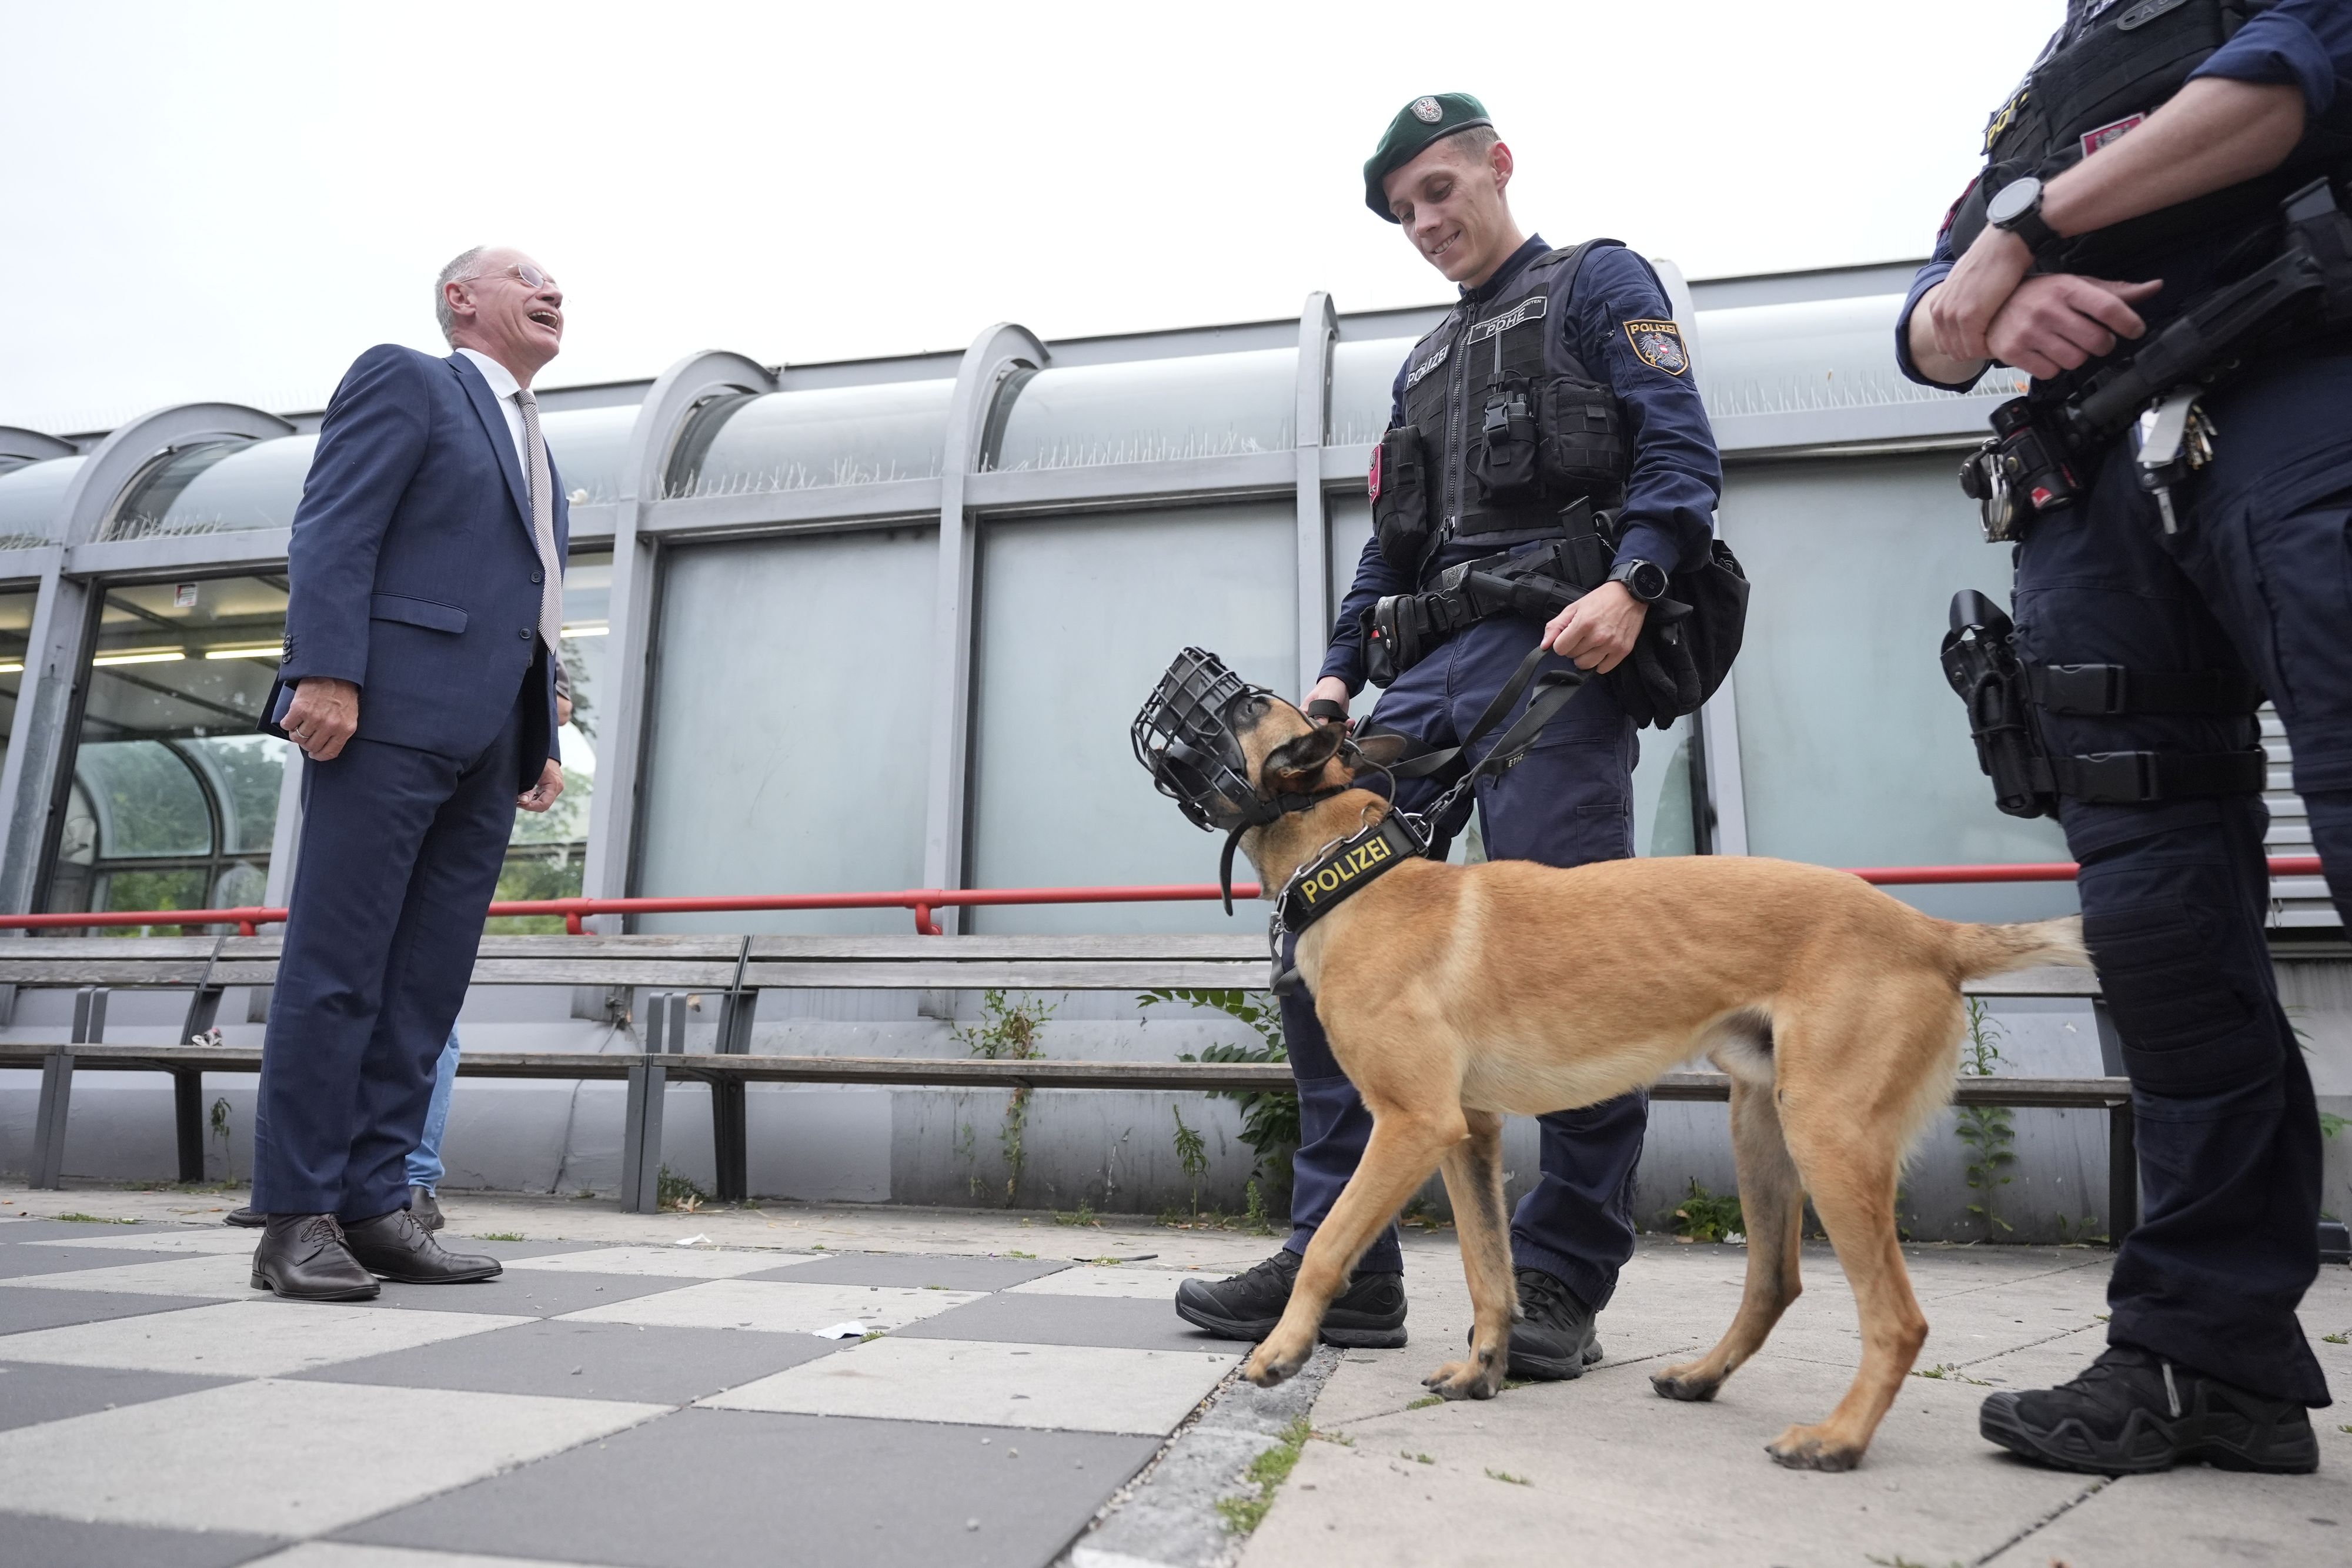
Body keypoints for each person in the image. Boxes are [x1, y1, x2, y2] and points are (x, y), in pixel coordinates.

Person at [1175, 93, 1723, 1378]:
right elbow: (1391, 544)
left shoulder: (1597, 284)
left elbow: (1679, 456)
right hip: (1424, 673)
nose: (1424, 222)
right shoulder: (1421, 363)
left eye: (1437, 189)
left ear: (1494, 166)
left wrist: (1632, 584)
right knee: (1321, 932)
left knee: (1579, 956)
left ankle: (1559, 1275)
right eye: (1402, 210)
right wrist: (1332, 669)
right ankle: (1346, 1262)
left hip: (1558, 648)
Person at [1900, 0, 2351, 1474]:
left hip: (2300, 389)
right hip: (2092, 485)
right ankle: (2200, 1354)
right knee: (2159, 943)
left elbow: (2280, 91)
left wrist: (2023, 235)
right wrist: (1991, 294)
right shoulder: (2046, 78)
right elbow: (1929, 321)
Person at [245, 246, 572, 1299]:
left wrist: (544, 732)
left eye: (556, 279)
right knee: (339, 972)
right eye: (526, 274)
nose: (551, 288)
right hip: (380, 721)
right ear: (460, 300)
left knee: (425, 988)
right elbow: (334, 526)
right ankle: (296, 1216)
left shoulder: (539, 446)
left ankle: (378, 1206)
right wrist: (327, 672)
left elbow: (534, 603)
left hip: (487, 744)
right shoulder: (409, 378)